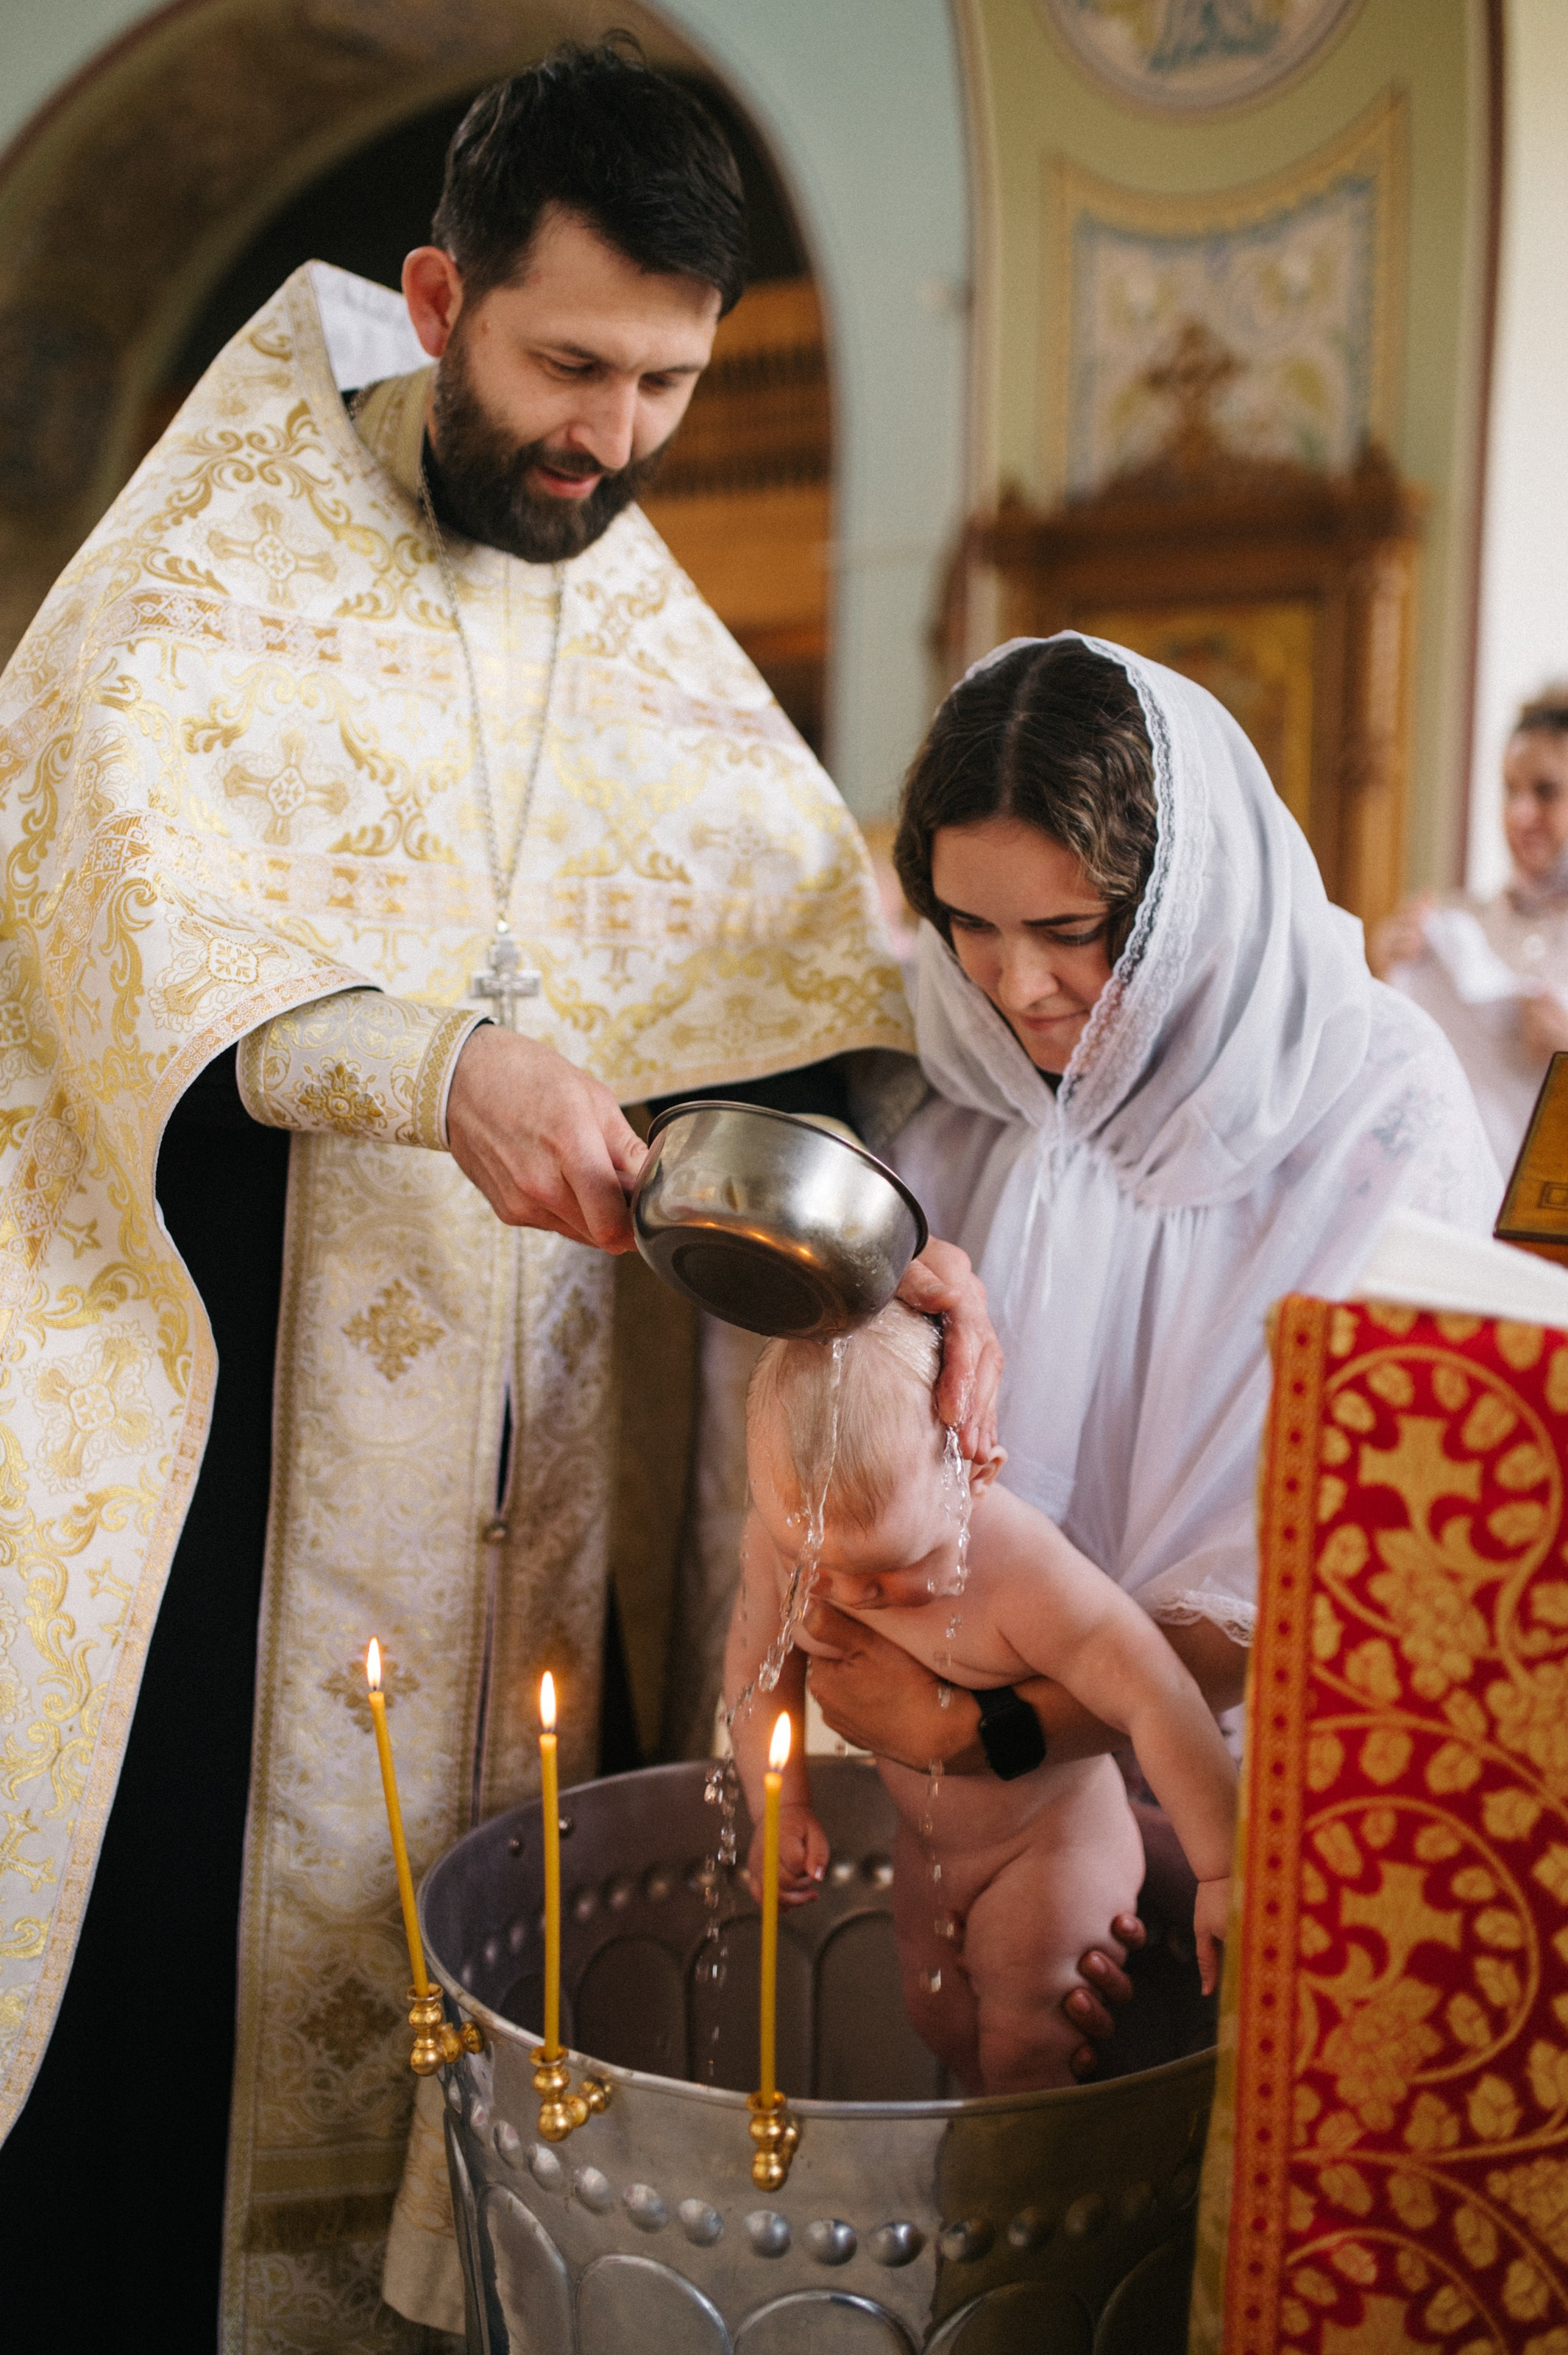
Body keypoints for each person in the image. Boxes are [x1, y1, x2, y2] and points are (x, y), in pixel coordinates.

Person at [0, 44, 998, 2355]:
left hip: (543, 1478)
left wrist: (883, 1204)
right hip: (233, 1472)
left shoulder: (628, 617)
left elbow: (784, 955)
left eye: (664, 381)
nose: (610, 437)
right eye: (566, 362)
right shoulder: (210, 559)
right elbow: (98, 902)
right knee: (166, 2085)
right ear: (438, 297)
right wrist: (430, 1067)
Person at [801, 634, 1502, 2075]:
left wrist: (983, 1727)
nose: (1018, 985)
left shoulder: (1374, 1103)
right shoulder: (938, 1086)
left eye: (1075, 929)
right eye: (970, 925)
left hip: (1232, 1806)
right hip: (952, 1818)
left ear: (1181, 898)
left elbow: (1332, 1560)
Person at [726, 1302, 1238, 2092]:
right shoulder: (789, 1542)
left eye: (886, 1568)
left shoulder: (1019, 1572)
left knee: (1025, 2048)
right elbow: (756, 1673)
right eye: (811, 1560)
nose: (846, 1593)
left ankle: (1027, 2201)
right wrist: (779, 1806)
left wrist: (1224, 1868)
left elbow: (1155, 1692)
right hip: (927, 1848)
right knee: (943, 2028)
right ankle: (984, 2188)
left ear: (973, 1478)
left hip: (1050, 1846)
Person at [1371, 688, 1568, 1175]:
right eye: (1509, 790)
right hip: (1462, 1219)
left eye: (1545, 791)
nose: (1521, 815)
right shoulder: (1455, 926)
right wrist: (1380, 980)